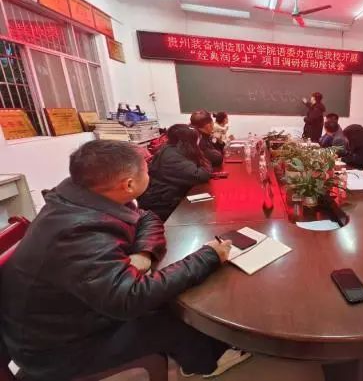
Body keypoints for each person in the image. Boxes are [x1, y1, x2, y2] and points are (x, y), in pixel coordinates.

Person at [0, 140, 250, 381]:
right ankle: (207, 363)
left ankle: (199, 349)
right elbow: (130, 299)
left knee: (169, 293)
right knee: (164, 317)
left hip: (77, 312)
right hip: (57, 349)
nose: (150, 173)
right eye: (147, 171)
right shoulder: (77, 233)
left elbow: (146, 217)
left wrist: (144, 253)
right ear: (129, 184)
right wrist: (208, 256)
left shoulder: (79, 197)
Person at [138, 124, 213, 221]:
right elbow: (200, 175)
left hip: (167, 199)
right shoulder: (172, 156)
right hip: (162, 206)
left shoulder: (174, 149)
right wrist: (204, 163)